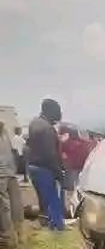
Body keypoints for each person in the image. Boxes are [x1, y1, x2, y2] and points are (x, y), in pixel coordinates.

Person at [27, 99, 66, 231]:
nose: (60, 114)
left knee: (43, 200)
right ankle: (57, 227)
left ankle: (46, 225)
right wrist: (59, 173)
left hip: (33, 167)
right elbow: (51, 154)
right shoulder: (47, 128)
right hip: (45, 169)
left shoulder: (34, 123)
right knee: (53, 199)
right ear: (50, 111)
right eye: (58, 110)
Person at [0, 122, 25, 249]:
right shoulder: (3, 130)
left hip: (2, 174)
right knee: (15, 203)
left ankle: (5, 238)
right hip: (10, 172)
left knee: (3, 206)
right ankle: (19, 235)